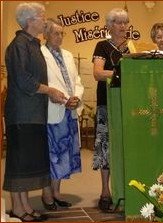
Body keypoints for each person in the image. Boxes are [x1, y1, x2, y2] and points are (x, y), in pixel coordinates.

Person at [3, 2, 66, 222]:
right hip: (21, 113)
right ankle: (18, 208)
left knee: (27, 161)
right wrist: (49, 90)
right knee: (19, 162)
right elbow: (23, 80)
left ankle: (24, 205)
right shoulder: (19, 44)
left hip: (33, 113)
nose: (45, 21)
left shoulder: (32, 44)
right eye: (42, 17)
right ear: (30, 20)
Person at [40, 18, 84, 210]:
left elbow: (77, 81)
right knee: (52, 154)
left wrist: (77, 97)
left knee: (65, 154)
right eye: (55, 33)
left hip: (70, 111)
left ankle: (57, 192)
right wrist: (60, 98)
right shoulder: (40, 54)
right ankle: (46, 194)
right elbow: (42, 84)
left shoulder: (67, 54)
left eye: (61, 33)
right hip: (52, 109)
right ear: (45, 35)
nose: (59, 37)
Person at [92, 8, 130, 211]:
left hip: (129, 104)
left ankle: (125, 187)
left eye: (125, 22)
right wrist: (122, 73)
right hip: (107, 104)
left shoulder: (133, 47)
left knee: (126, 146)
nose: (122, 26)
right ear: (109, 25)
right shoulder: (102, 46)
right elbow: (98, 73)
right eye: (117, 22)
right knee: (106, 148)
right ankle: (105, 191)